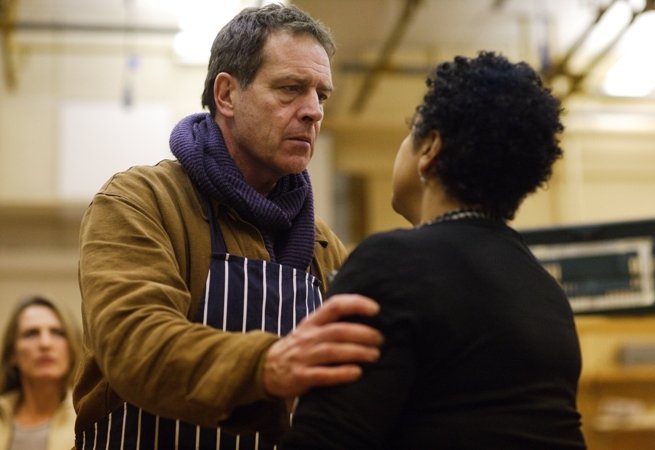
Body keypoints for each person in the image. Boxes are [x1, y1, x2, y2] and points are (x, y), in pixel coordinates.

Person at [73, 4, 382, 450]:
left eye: (322, 96)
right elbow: (134, 343)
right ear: (226, 95)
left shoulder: (322, 244)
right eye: (291, 89)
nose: (313, 111)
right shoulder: (141, 202)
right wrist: (267, 366)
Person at [282, 51, 587, 449]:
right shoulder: (546, 293)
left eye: (410, 133)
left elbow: (326, 438)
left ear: (430, 149)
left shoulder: (390, 264)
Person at [0, 295, 82, 450]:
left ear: (71, 348)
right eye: (31, 333)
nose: (45, 344)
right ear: (13, 354)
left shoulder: (88, 419)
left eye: (57, 333)